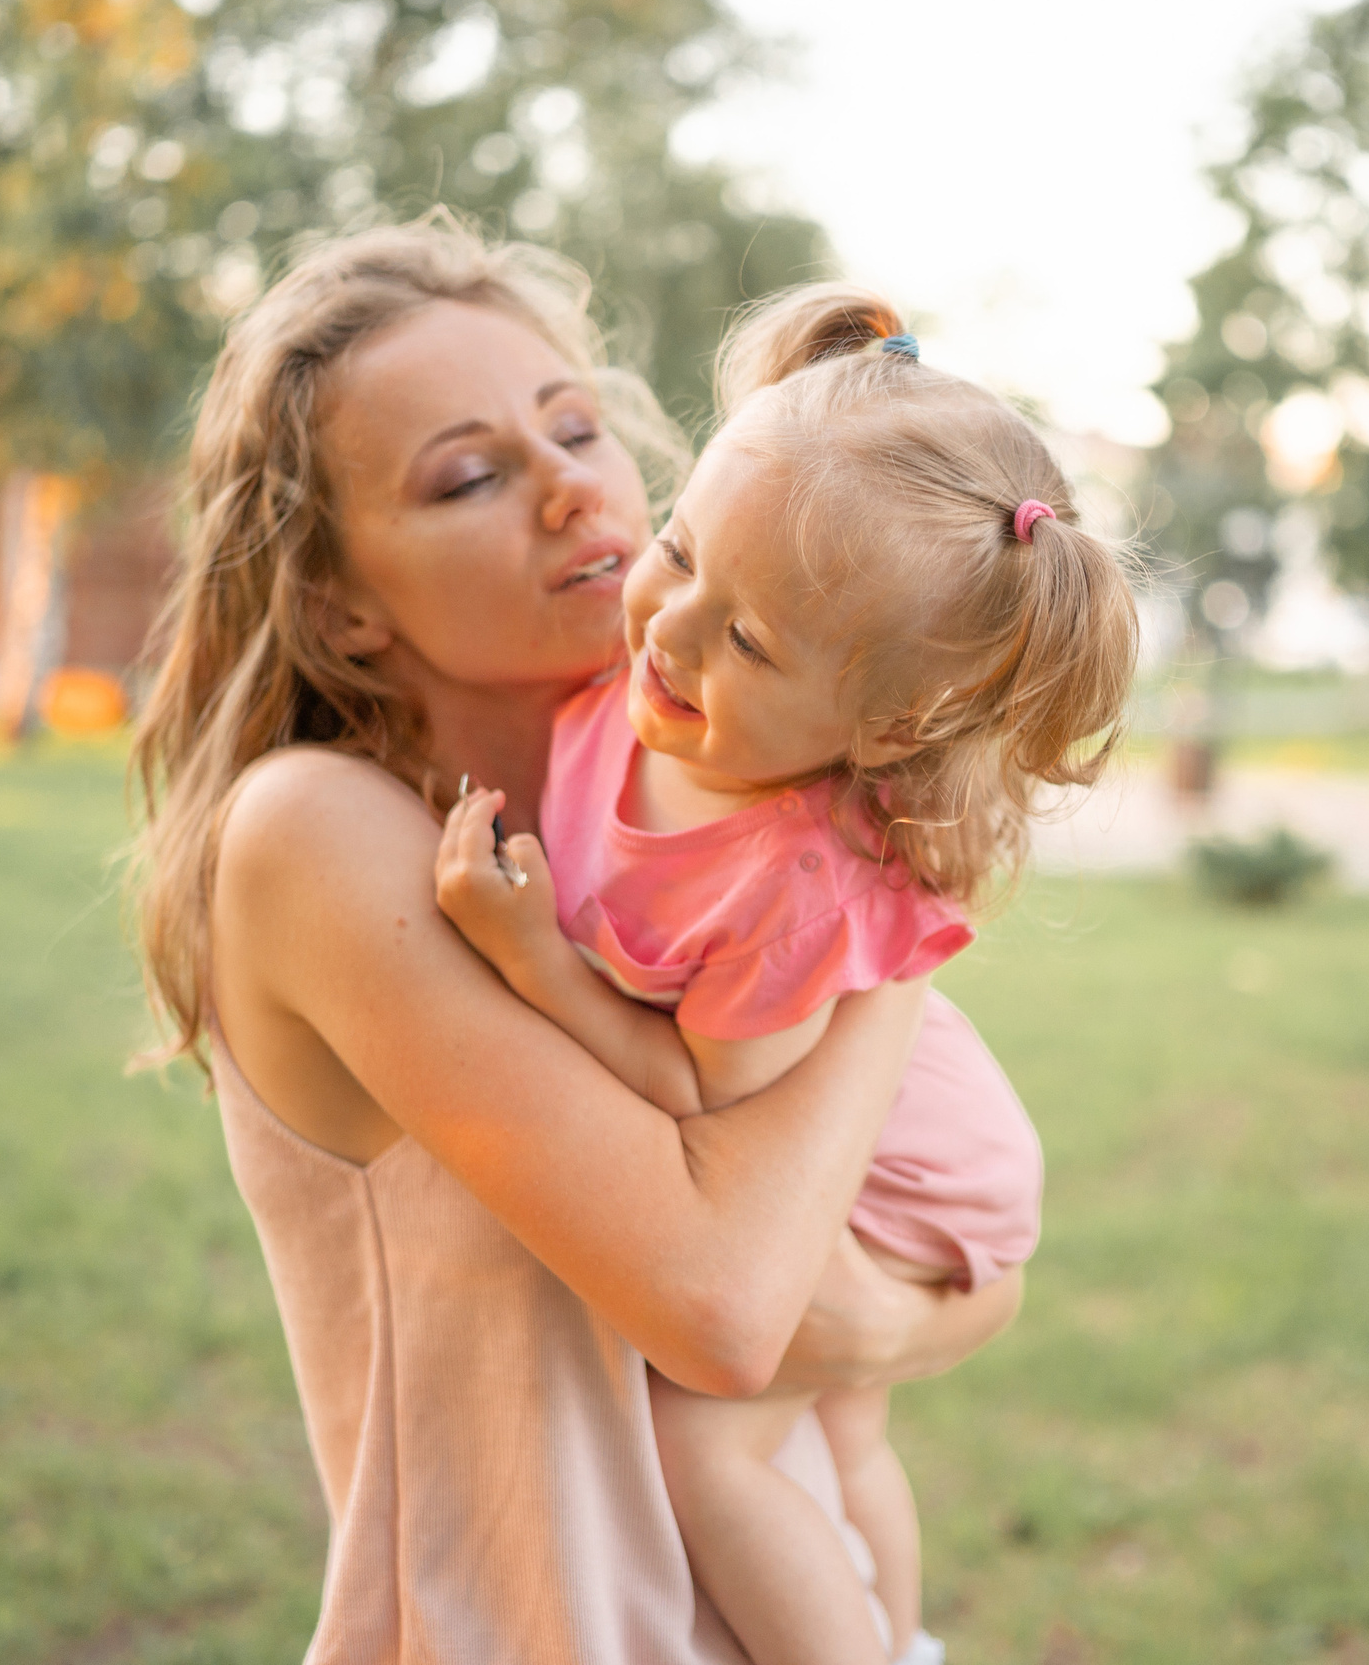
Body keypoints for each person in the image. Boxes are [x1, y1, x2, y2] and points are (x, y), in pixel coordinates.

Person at [127, 212, 1023, 1663]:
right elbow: (731, 1312)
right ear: (340, 609)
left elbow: (961, 1277)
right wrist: (892, 916)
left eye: (576, 426)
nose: (568, 488)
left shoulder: (704, 830)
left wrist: (900, 1317)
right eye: (470, 475)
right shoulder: (318, 835)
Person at [434, 286, 1138, 1665]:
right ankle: (902, 1632)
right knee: (845, 1430)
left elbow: (703, 1092)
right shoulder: (632, 701)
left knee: (713, 1452)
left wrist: (530, 958)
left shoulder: (794, 884)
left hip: (916, 1174)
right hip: (860, 1128)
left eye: (749, 641)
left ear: (886, 727)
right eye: (680, 551)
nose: (672, 630)